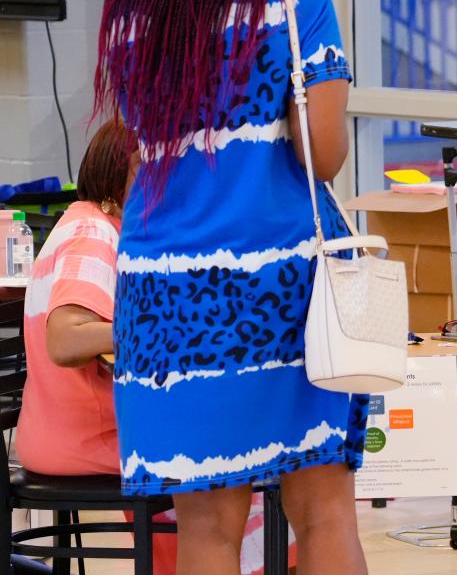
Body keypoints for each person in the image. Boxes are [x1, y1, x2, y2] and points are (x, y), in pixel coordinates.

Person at [94, 0, 364, 575]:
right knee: (323, 509)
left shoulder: (130, 0)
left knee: (208, 528)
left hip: (160, 292)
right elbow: (325, 154)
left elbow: (141, 136)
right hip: (278, 286)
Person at [14, 121, 293, 575]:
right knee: (235, 457)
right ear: (125, 171)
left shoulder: (95, 225)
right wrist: (160, 327)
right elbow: (65, 339)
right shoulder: (92, 233)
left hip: (70, 432)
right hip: (86, 438)